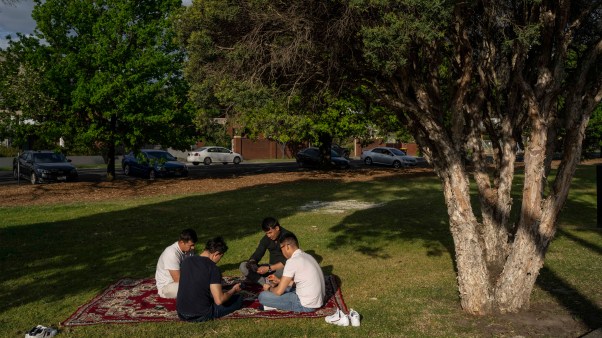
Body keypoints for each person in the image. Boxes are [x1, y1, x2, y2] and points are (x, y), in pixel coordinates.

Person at [177, 236, 243, 322]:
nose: (220, 259)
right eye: (221, 256)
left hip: (181, 313)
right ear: (216, 254)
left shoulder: (187, 261)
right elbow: (219, 300)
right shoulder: (213, 268)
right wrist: (233, 290)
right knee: (239, 299)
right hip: (200, 315)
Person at [258, 233, 325, 312]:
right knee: (287, 287)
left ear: (287, 246)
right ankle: (277, 304)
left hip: (305, 305)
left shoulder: (292, 261)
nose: (282, 252)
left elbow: (278, 292)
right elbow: (299, 283)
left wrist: (269, 288)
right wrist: (280, 281)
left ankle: (274, 306)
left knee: (263, 296)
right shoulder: (308, 256)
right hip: (318, 301)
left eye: (281, 249)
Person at [239, 217, 294, 285]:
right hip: (271, 269)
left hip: (285, 269)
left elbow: (290, 261)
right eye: (266, 233)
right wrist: (252, 262)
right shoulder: (267, 238)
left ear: (277, 228)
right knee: (243, 266)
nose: (268, 235)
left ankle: (266, 281)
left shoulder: (288, 237)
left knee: (289, 272)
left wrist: (269, 268)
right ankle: (265, 283)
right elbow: (258, 252)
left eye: (270, 233)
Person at [155, 228, 198, 299]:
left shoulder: (189, 250)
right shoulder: (171, 253)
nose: (193, 248)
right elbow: (178, 279)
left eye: (193, 245)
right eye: (190, 245)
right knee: (195, 288)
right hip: (168, 286)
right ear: (181, 242)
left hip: (183, 280)